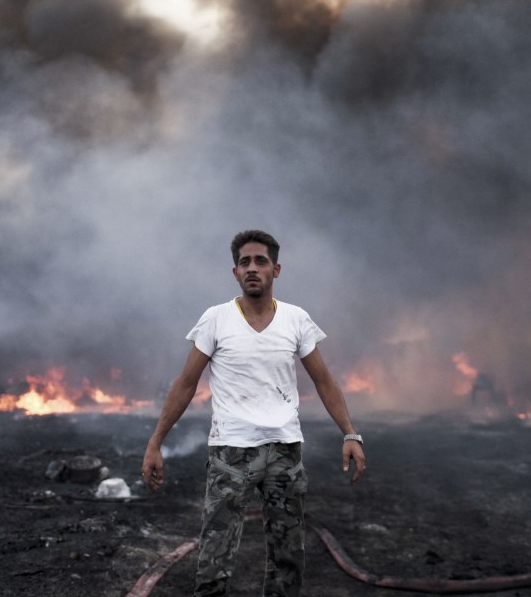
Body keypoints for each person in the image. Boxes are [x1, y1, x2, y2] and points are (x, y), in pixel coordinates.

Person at [142, 229, 366, 597]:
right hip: (231, 453)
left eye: (260, 261)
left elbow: (324, 381)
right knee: (214, 559)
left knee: (288, 557)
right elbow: (186, 383)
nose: (252, 268)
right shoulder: (216, 319)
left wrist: (351, 434)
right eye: (244, 262)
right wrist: (155, 443)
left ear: (276, 270)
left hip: (285, 452)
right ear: (235, 273)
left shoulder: (295, 319)